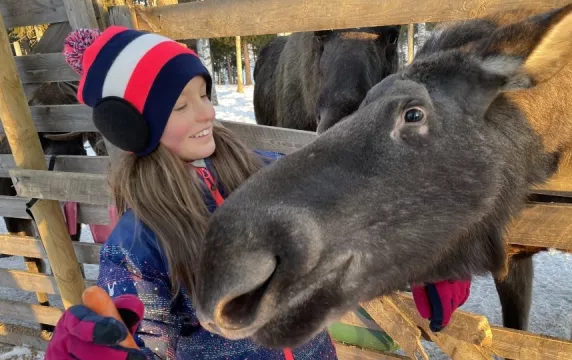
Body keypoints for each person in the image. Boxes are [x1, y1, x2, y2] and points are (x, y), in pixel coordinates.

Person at [44, 26, 471, 360]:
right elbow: (140, 332)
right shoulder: (140, 238)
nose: (208, 112)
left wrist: (436, 254)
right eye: (180, 106)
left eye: (205, 95)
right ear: (133, 128)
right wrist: (110, 347)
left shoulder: (262, 171)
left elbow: (357, 197)